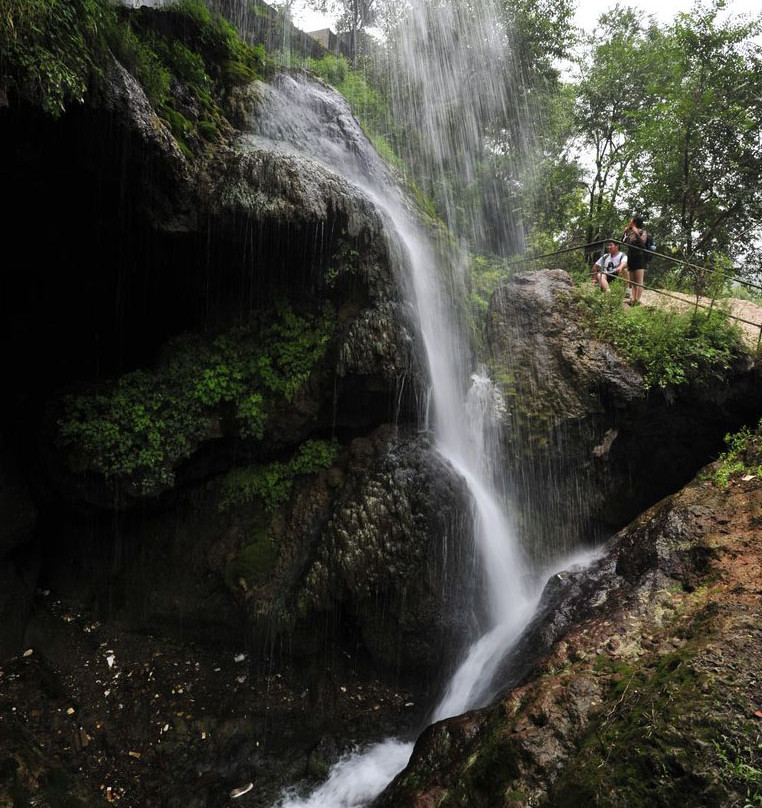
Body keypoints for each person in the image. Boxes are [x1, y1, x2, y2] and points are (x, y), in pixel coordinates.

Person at [622, 214, 648, 305]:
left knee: (639, 281)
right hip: (631, 257)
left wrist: (636, 233)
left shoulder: (643, 232)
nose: (629, 222)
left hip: (639, 258)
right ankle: (633, 299)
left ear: (635, 222)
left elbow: (643, 244)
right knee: (632, 281)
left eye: (631, 220)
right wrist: (625, 233)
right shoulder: (630, 233)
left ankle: (637, 300)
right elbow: (623, 242)